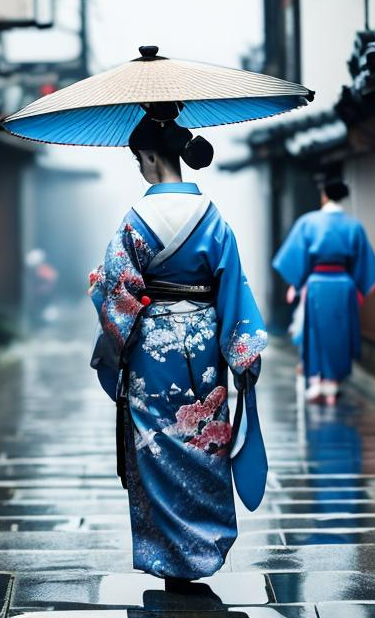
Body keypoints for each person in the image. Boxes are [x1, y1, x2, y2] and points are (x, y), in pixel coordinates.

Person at [89, 107, 268, 592]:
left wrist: (106, 305)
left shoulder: (134, 219)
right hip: (204, 346)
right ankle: (204, 549)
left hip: (153, 349)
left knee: (158, 444)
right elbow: (233, 288)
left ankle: (168, 554)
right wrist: (243, 356)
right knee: (204, 440)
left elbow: (116, 293)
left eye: (139, 159)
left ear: (148, 156)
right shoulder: (214, 219)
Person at [272, 180, 375, 405]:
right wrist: (357, 288)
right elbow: (364, 264)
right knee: (340, 334)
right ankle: (333, 384)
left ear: (324, 196)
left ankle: (316, 383)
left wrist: (296, 284)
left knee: (315, 332)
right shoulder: (354, 226)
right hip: (344, 284)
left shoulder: (308, 222)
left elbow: (296, 257)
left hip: (316, 284)